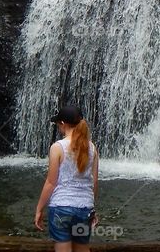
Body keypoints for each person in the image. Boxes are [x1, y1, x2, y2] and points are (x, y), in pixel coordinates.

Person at [34, 104, 99, 251]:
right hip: (84, 209)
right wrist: (92, 208)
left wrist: (39, 209)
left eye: (58, 124)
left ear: (62, 123)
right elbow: (94, 182)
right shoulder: (92, 148)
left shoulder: (57, 147)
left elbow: (51, 182)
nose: (58, 127)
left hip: (61, 208)